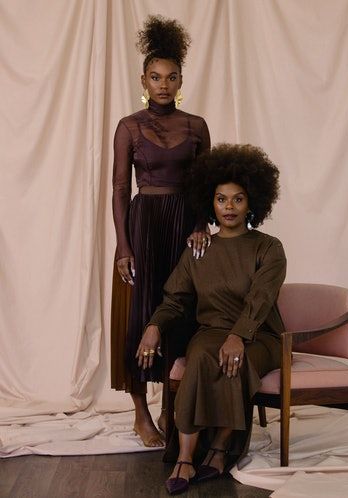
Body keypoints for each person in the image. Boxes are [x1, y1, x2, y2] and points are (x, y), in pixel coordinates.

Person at [138, 143, 287, 494]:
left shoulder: (269, 247)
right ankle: (186, 458)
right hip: (212, 331)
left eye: (238, 199)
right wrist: (154, 326)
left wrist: (239, 336)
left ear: (253, 202)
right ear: (211, 202)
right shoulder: (199, 249)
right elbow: (174, 297)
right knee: (203, 356)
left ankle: (220, 451)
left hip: (260, 335)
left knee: (237, 359)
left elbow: (260, 299)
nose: (229, 207)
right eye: (221, 199)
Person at [110, 15, 211, 448]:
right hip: (144, 224)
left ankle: (174, 410)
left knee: (181, 316)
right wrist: (123, 246)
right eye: (155, 77)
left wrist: (201, 225)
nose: (163, 85)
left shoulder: (197, 126)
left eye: (171, 77)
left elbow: (208, 186)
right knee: (139, 315)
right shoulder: (128, 126)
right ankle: (140, 414)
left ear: (181, 80)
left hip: (184, 228)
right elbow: (118, 189)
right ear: (144, 80)